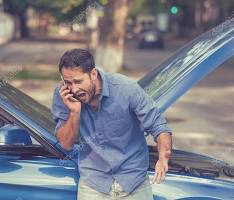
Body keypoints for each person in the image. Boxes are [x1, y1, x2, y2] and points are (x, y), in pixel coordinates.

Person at [51, 48, 172, 200]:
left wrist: (163, 156)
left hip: (134, 182)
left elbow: (158, 125)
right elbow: (66, 143)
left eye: (78, 81)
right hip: (93, 184)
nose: (74, 89)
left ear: (93, 74)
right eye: (68, 82)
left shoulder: (125, 89)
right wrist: (74, 112)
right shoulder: (63, 95)